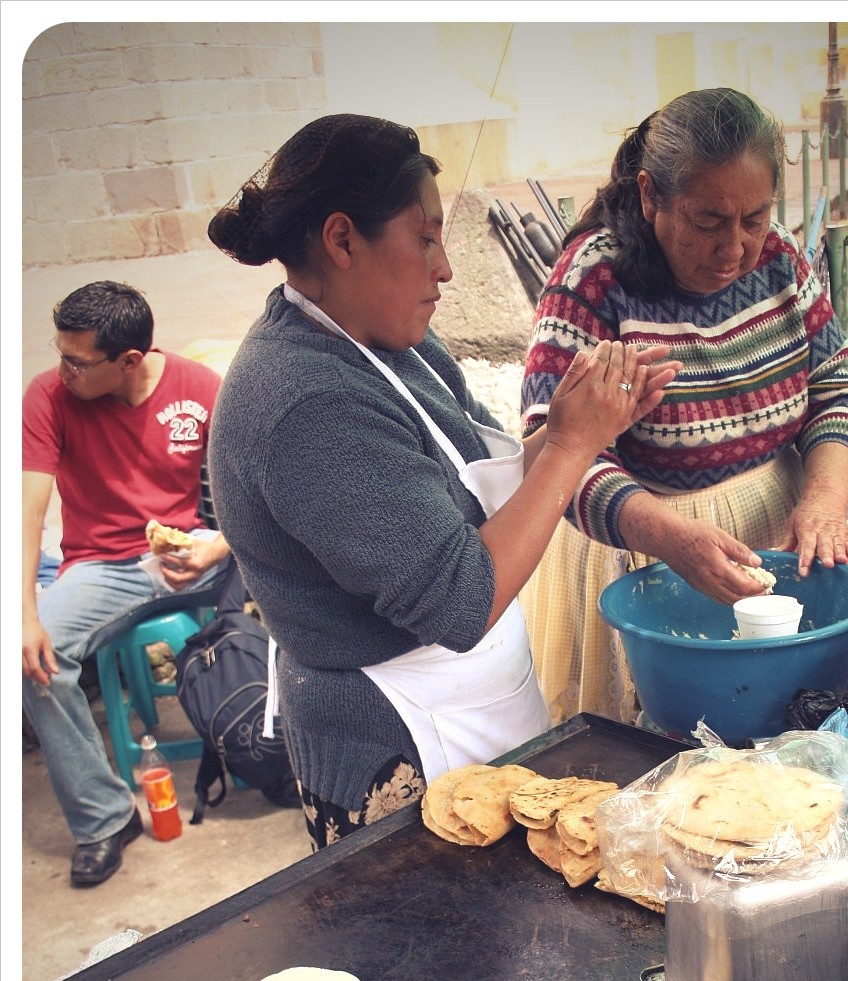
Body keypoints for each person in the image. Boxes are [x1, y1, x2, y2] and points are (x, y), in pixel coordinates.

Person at [206, 114, 679, 850]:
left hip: (479, 699)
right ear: (341, 240)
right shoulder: (305, 401)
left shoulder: (390, 340)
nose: (445, 267)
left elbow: (471, 484)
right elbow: (461, 600)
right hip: (397, 739)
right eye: (425, 237)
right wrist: (572, 448)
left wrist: (576, 425)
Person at [519, 88, 848, 725]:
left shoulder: (781, 260)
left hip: (773, 540)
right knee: (658, 762)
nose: (735, 248)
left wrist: (824, 498)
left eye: (754, 218)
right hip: (643, 562)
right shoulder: (594, 282)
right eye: (708, 222)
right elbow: (553, 455)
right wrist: (663, 536)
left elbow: (838, 386)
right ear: (651, 194)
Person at [23, 282, 231, 886]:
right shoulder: (48, 397)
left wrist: (217, 545)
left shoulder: (198, 387)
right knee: (34, 655)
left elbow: (258, 492)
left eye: (78, 362)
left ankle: (265, 745)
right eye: (60, 353)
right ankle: (105, 819)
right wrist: (26, 611)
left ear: (130, 361)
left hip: (190, 551)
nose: (64, 371)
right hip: (103, 564)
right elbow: (28, 509)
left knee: (281, 573)